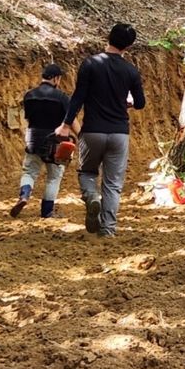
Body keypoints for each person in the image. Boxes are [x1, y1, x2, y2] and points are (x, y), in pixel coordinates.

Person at [55, 23, 145, 237]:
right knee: (113, 184)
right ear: (129, 46)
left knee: (86, 172)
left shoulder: (90, 64)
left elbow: (78, 97)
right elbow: (140, 103)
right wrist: (129, 103)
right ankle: (108, 229)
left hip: (92, 131)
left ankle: (92, 197)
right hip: (119, 133)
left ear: (108, 37)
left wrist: (67, 125)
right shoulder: (131, 71)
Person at [10, 63, 70, 219]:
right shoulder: (62, 97)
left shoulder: (29, 95)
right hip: (54, 141)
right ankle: (47, 211)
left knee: (29, 172)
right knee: (54, 177)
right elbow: (68, 121)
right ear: (56, 78)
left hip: (33, 138)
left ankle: (24, 195)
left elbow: (28, 118)